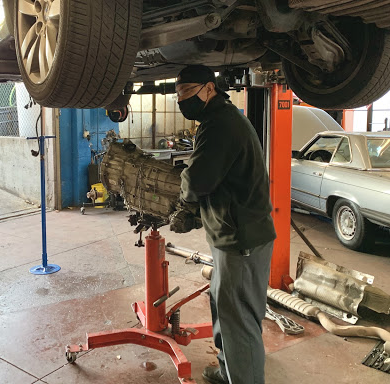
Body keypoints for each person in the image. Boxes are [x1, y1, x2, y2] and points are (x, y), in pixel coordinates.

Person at [169, 65, 276, 384]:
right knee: (224, 305)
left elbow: (197, 180)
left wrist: (185, 187)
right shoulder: (218, 118)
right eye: (178, 94)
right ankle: (229, 370)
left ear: (209, 89)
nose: (181, 100)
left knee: (240, 320)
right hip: (231, 235)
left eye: (187, 92)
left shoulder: (220, 125)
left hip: (241, 240)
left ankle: (244, 378)